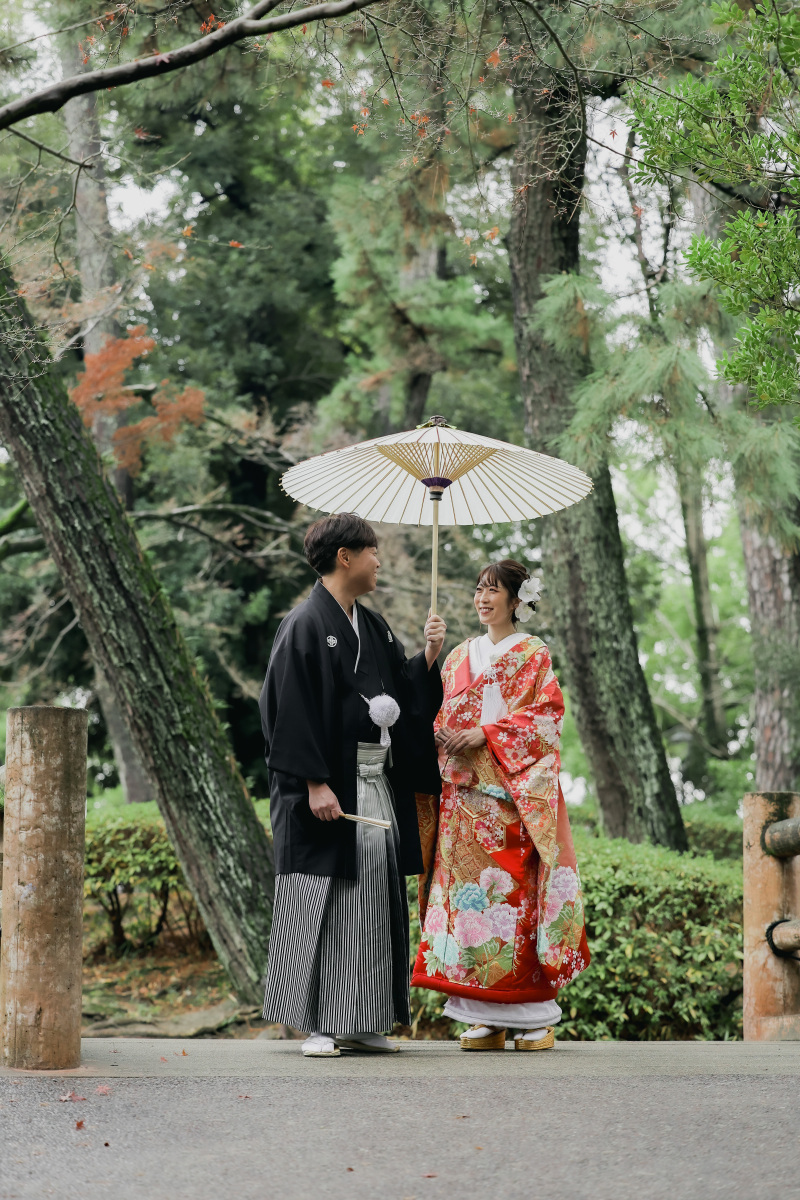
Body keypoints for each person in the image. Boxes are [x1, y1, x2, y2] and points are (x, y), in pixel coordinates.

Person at [259, 512, 446, 1057]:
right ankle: (319, 1022)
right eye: (372, 551)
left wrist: (427, 658)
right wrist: (314, 782)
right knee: (325, 899)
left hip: (373, 781)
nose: (379, 561)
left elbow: (399, 692)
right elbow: (286, 711)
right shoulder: (304, 624)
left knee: (372, 898)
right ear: (345, 557)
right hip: (326, 787)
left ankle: (362, 1017)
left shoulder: (374, 625)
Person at [411, 559, 590, 1050]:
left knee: (514, 901)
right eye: (479, 589)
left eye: (494, 590)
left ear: (517, 600)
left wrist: (485, 734)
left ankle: (533, 1016)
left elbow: (547, 718)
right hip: (461, 801)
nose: (483, 598)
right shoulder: (456, 656)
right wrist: (430, 661)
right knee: (469, 907)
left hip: (510, 801)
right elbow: (432, 710)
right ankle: (485, 1015)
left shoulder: (533, 653)